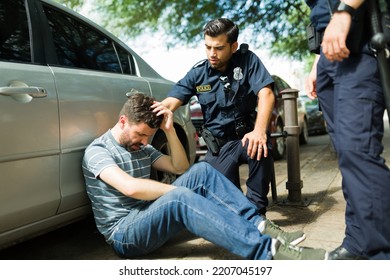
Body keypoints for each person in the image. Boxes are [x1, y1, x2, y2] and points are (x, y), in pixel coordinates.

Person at [82, 92, 327, 260]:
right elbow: (130, 188)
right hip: (124, 234)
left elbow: (180, 167)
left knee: (201, 171)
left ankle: (261, 226)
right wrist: (178, 192)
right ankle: (270, 253)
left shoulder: (142, 147)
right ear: (123, 121)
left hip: (146, 217)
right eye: (140, 135)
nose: (144, 141)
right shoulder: (98, 151)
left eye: (148, 136)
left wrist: (168, 131)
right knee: (180, 197)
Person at [162, 18, 275, 217]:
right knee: (226, 203)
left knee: (260, 147)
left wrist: (259, 131)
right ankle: (242, 213)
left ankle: (258, 212)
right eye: (208, 47)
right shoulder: (198, 74)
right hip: (219, 147)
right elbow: (170, 103)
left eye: (219, 48)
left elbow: (266, 94)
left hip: (246, 138)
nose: (212, 54)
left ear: (233, 47)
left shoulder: (248, 61)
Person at [305, 0, 390, 259]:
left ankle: (381, 254)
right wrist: (317, 61)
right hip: (330, 54)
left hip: (360, 44)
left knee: (358, 152)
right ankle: (358, 241)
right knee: (347, 158)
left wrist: (345, 11)